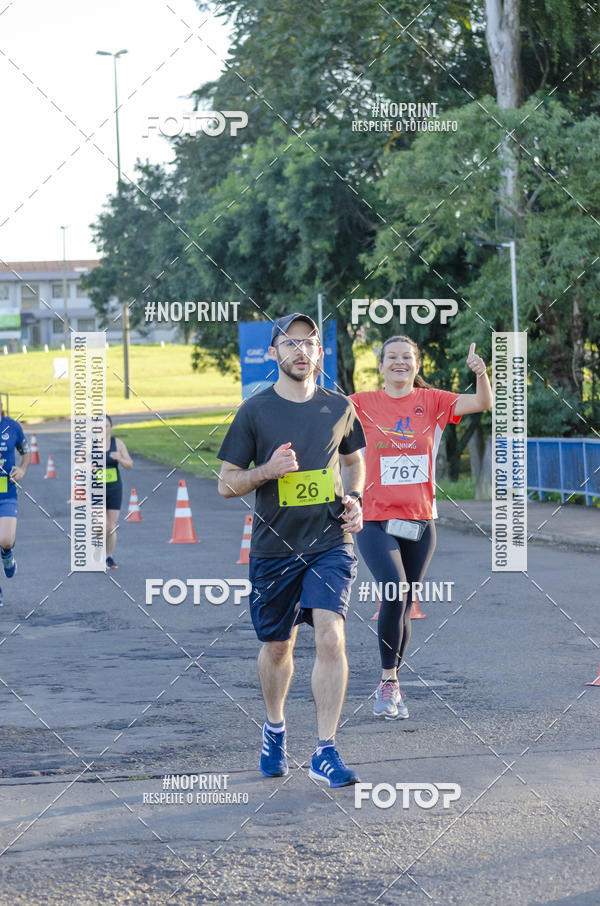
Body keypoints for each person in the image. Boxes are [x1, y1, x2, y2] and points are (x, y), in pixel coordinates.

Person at [217, 313, 366, 788]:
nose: (301, 351)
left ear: (319, 352)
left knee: (330, 637)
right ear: (273, 353)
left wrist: (356, 499)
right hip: (274, 548)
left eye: (310, 343)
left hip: (330, 541)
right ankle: (275, 728)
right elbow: (225, 484)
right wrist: (266, 471)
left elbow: (354, 460)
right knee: (278, 647)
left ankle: (325, 749)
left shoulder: (340, 406)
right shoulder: (254, 412)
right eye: (291, 343)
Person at [350, 336, 492, 720]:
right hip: (375, 518)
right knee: (393, 591)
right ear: (380, 366)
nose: (400, 363)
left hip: (419, 519)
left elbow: (482, 403)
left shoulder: (433, 401)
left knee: (405, 603)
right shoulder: (360, 404)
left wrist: (481, 374)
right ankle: (385, 683)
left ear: (417, 364)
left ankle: (393, 681)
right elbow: (322, 419)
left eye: (407, 357)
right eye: (392, 357)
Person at [0, 407, 30, 606]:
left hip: (6, 490)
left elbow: (25, 452)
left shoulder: (12, 426)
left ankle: (7, 554)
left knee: (6, 540)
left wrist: (23, 469)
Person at [103, 415, 133, 569]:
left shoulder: (118, 444)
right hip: (96, 490)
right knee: (99, 525)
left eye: (106, 426)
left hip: (114, 488)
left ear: (111, 427)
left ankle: (108, 557)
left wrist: (120, 459)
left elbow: (129, 464)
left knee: (111, 526)